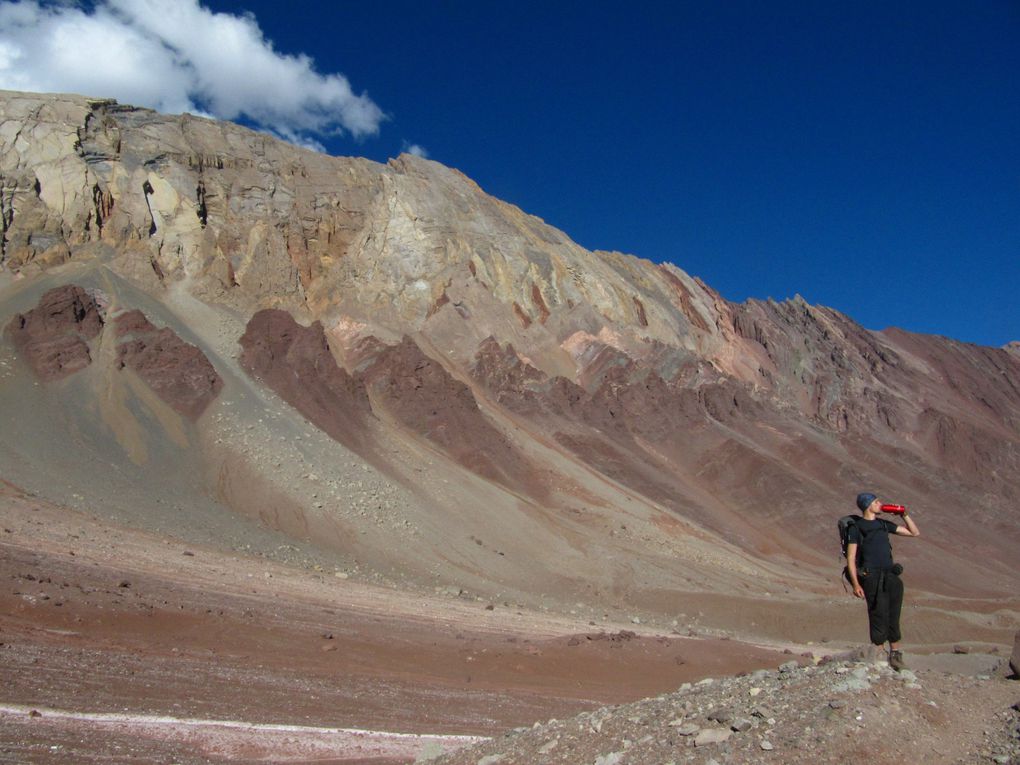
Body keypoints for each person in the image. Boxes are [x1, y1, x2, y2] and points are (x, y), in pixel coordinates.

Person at [845, 492, 920, 670]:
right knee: (878, 614)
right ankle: (878, 656)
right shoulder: (856, 527)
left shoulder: (883, 524)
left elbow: (914, 533)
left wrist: (904, 515)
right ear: (867, 505)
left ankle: (895, 656)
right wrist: (856, 584)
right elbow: (850, 558)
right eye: (876, 502)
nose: (881, 504)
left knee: (893, 614)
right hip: (872, 577)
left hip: (891, 576)